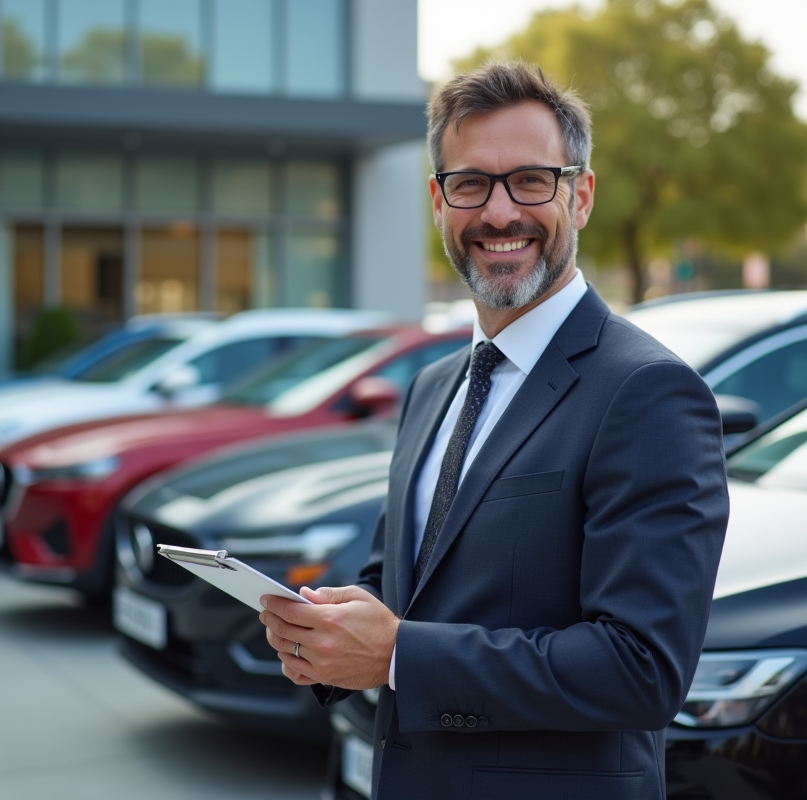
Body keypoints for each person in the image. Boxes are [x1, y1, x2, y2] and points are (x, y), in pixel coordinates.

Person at [259, 61, 728, 799]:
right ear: (439, 202)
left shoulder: (647, 392)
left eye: (532, 180)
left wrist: (397, 658)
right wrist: (321, 632)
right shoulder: (433, 386)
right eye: (471, 183)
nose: (500, 213)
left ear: (581, 195)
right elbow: (404, 587)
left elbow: (642, 668)